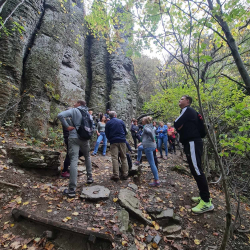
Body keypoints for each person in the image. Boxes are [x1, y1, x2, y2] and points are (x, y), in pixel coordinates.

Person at [174, 95, 214, 213]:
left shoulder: (188, 110)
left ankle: (206, 202)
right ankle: (203, 196)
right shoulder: (192, 112)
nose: (179, 100)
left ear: (187, 101)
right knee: (195, 169)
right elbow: (180, 126)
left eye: (181, 99)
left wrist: (180, 127)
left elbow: (176, 123)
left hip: (192, 142)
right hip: (192, 142)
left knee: (196, 169)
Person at [57, 100, 93, 198]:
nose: (74, 105)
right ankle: (90, 177)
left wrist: (67, 126)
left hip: (73, 137)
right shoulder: (88, 114)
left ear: (79, 104)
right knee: (87, 156)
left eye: (75, 103)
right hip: (85, 138)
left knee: (73, 160)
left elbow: (60, 115)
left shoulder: (74, 110)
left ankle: (72, 189)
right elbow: (92, 126)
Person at [105, 111, 128, 181]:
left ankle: (116, 175)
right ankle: (125, 174)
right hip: (122, 140)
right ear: (115, 115)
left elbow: (106, 133)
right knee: (123, 157)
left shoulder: (108, 123)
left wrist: (110, 139)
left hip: (113, 141)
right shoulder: (121, 121)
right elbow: (125, 131)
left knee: (114, 158)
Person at [61, 113, 83, 178]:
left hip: (70, 139)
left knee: (75, 154)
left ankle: (69, 169)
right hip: (69, 139)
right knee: (69, 155)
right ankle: (64, 172)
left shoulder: (68, 120)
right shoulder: (67, 120)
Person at [140, 116, 160, 186]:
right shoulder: (151, 126)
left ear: (145, 121)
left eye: (142, 120)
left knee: (152, 163)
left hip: (148, 146)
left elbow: (149, 133)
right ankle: (137, 161)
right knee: (139, 148)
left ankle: (156, 180)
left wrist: (152, 138)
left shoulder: (146, 127)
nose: (141, 121)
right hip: (152, 146)